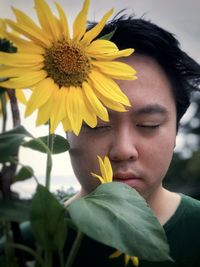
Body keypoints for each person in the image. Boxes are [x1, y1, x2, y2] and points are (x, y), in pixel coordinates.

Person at [65, 13, 200, 267]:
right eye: (98, 125)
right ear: (66, 129)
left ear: (176, 131)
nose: (123, 150)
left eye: (148, 125)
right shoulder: (25, 246)